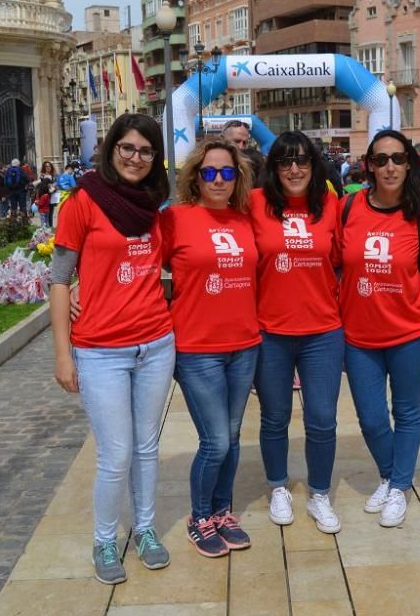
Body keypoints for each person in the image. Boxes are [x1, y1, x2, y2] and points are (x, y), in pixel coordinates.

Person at [51, 113, 175, 585]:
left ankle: (143, 529)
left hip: (156, 345)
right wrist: (63, 354)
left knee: (147, 446)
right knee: (116, 451)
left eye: (145, 150)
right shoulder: (82, 203)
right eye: (127, 148)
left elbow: (167, 265)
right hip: (101, 350)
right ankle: (105, 539)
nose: (135, 158)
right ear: (111, 150)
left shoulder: (155, 206)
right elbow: (60, 279)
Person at [338, 129, 420, 528]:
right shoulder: (348, 208)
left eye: (397, 159)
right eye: (381, 159)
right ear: (368, 165)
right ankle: (392, 474)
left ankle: (398, 486)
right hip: (358, 335)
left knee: (406, 412)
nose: (389, 167)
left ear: (409, 164)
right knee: (370, 418)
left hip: (410, 333)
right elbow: (332, 263)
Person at [161, 138, 259, 558]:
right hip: (197, 347)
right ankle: (200, 516)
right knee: (215, 440)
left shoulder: (245, 219)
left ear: (238, 178)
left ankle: (222, 511)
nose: (218, 179)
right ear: (196, 177)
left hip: (245, 343)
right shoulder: (174, 219)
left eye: (227, 172)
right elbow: (136, 260)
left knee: (233, 437)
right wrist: (78, 289)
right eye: (210, 172)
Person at [250, 131, 344, 535]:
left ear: (314, 166)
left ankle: (320, 493)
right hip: (270, 331)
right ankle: (278, 487)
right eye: (285, 161)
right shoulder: (254, 204)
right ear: (273, 168)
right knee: (275, 418)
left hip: (322, 330)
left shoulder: (330, 206)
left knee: (322, 419)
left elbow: (345, 259)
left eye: (302, 161)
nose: (293, 169)